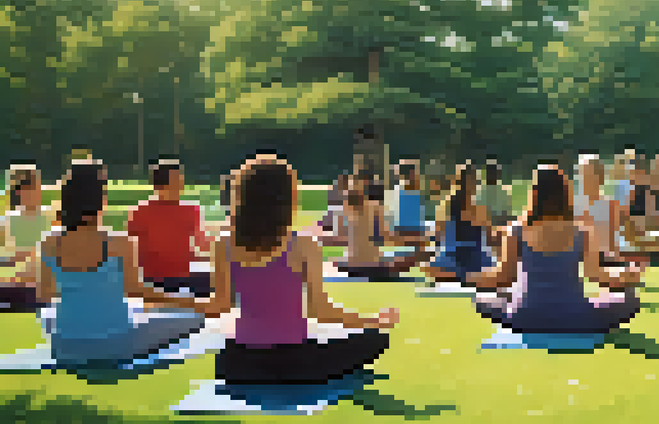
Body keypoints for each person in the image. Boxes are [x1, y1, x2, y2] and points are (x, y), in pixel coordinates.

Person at [205, 152, 397, 384]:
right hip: (294, 362)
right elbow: (321, 311)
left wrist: (164, 298)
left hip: (238, 362)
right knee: (375, 340)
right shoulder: (304, 244)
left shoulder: (223, 243)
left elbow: (220, 305)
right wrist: (373, 320)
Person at [22, 160, 207, 367]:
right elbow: (136, 290)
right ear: (101, 199)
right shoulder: (119, 242)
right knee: (193, 317)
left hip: (64, 346)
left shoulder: (48, 243)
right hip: (117, 345)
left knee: (49, 313)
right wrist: (191, 302)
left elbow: (45, 293)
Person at [471, 164, 644, 333]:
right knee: (629, 298)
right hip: (576, 317)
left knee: (482, 299)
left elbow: (504, 276)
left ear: (534, 194)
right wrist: (627, 276)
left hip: (526, 318)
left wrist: (474, 277)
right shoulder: (582, 231)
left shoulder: (515, 230)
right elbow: (596, 275)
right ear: (565, 194)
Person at [125, 159, 216, 297]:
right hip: (150, 280)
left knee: (219, 278)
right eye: (176, 181)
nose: (181, 185)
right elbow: (131, 250)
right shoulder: (140, 211)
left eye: (181, 181)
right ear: (159, 186)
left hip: (183, 278)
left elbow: (202, 245)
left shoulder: (191, 210)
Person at [333, 177, 432, 279]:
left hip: (351, 266)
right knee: (414, 257)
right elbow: (386, 237)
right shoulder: (374, 209)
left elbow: (343, 238)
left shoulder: (344, 212)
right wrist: (414, 241)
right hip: (371, 266)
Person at [423, 163, 497, 284]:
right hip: (475, 258)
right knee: (494, 264)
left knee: (428, 266)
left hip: (451, 257)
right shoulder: (480, 209)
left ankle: (455, 275)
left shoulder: (445, 206)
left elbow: (437, 236)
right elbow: (489, 239)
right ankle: (466, 276)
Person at [1, 165, 53, 310]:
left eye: (37, 186)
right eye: (32, 187)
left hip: (43, 282)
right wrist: (12, 258)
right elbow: (8, 259)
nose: (38, 191)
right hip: (19, 282)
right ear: (19, 190)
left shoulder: (51, 216)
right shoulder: (8, 220)